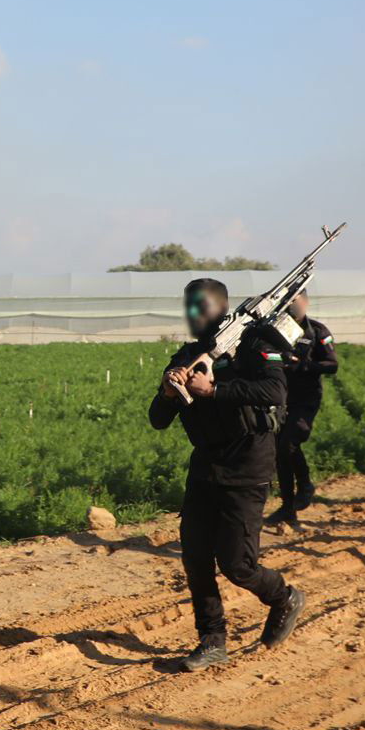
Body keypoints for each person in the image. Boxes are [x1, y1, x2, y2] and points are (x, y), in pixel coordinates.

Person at [149, 278, 306, 672]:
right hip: (205, 469)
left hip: (247, 468)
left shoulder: (254, 345)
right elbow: (157, 419)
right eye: (188, 306)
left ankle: (284, 597)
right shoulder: (186, 355)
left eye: (200, 306)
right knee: (196, 559)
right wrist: (170, 392)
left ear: (220, 307)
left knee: (238, 564)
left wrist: (215, 389)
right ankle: (212, 639)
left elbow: (275, 391)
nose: (192, 314)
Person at [266, 292, 338, 532]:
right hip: (282, 398)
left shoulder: (318, 331)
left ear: (305, 302)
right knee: (281, 450)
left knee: (288, 444)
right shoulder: (275, 331)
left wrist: (303, 365)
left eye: (297, 299)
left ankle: (305, 486)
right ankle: (288, 507)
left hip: (306, 400)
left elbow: (332, 364)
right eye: (288, 301)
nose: (292, 304)